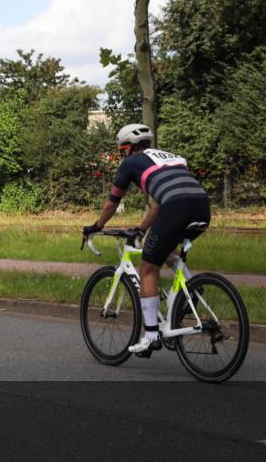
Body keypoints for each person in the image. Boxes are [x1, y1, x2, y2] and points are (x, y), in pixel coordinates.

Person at [82, 124, 211, 356]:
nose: (122, 154)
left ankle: (151, 336)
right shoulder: (169, 158)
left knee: (148, 269)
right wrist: (140, 229)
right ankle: (190, 289)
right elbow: (157, 204)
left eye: (122, 150)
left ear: (127, 147)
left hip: (176, 207)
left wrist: (96, 226)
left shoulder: (131, 162)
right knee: (167, 252)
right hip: (201, 206)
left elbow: (112, 201)